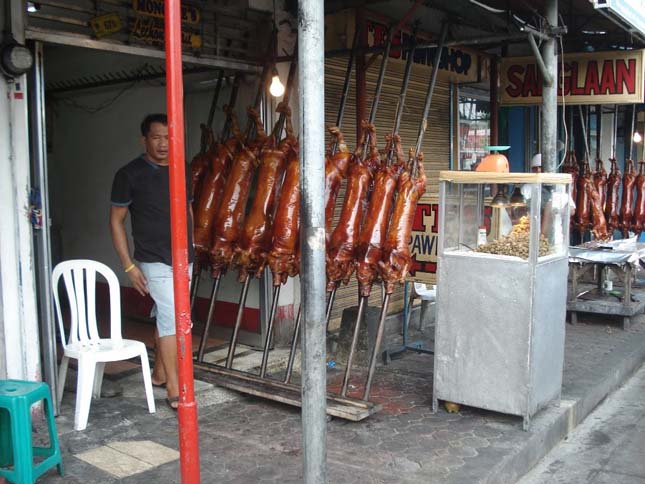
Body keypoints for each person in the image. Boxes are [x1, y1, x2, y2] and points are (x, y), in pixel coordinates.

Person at [109, 113, 193, 411]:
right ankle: (174, 386)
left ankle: (159, 373)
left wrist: (191, 249)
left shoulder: (182, 168)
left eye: (168, 138)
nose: (163, 144)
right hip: (153, 260)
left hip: (184, 258)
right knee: (174, 321)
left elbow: (188, 212)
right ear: (144, 139)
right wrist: (129, 266)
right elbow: (116, 221)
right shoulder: (129, 174)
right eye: (156, 137)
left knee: (166, 315)